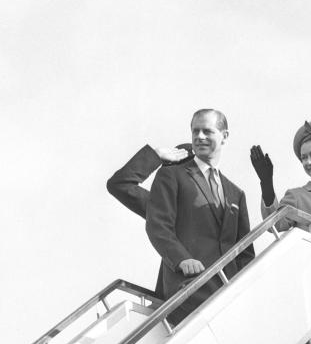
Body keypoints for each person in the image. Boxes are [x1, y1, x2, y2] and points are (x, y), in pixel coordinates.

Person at [146, 109, 254, 311]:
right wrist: (181, 259)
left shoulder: (236, 193)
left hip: (228, 293)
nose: (200, 137)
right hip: (188, 289)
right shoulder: (172, 176)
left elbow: (244, 250)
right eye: (195, 132)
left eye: (207, 131)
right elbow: (158, 227)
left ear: (225, 136)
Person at [106, 143, 193, 297]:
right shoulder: (165, 208)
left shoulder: (225, 204)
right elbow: (119, 184)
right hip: (178, 301)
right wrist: (156, 155)